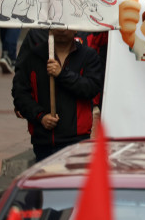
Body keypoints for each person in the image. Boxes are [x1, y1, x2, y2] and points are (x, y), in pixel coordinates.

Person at [12, 29, 104, 161]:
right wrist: (40, 116)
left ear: (75, 29)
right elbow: (20, 93)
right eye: (57, 24)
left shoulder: (88, 55)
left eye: (66, 25)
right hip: (43, 141)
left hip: (77, 140)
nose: (62, 30)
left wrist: (62, 75)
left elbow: (91, 88)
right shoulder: (34, 56)